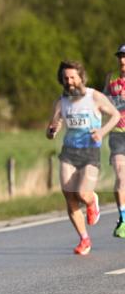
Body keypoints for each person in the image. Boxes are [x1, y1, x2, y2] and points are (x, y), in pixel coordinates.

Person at [46, 60, 121, 255]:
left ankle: (91, 201)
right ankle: (84, 239)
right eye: (65, 78)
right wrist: (52, 131)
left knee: (82, 194)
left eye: (72, 77)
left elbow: (115, 115)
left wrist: (102, 132)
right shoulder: (61, 101)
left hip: (89, 152)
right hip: (69, 153)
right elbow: (54, 125)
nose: (69, 82)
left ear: (80, 77)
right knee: (69, 197)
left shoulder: (94, 96)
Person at [104, 44, 125, 238]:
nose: (123, 60)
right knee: (120, 176)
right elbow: (102, 104)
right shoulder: (112, 80)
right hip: (118, 133)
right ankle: (123, 219)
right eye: (120, 56)